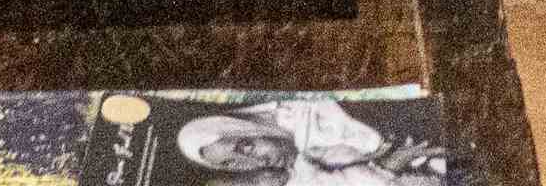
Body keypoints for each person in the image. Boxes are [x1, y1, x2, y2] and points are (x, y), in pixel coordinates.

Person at [172, 96, 445, 183]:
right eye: (231, 163)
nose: (255, 161)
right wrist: (386, 168)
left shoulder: (307, 112)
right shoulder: (293, 176)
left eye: (245, 145)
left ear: (247, 128)